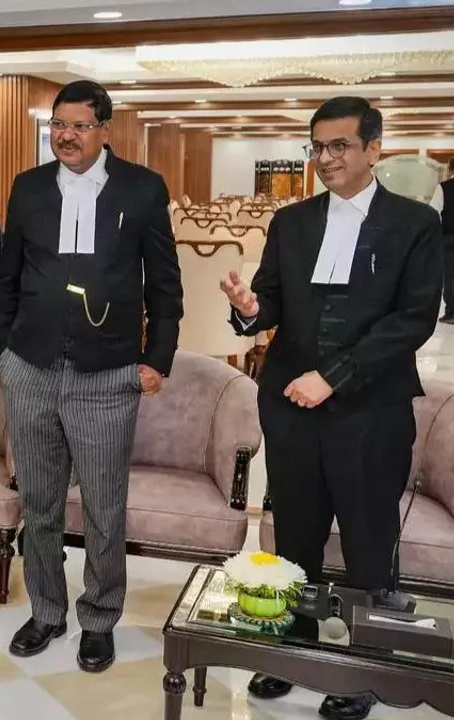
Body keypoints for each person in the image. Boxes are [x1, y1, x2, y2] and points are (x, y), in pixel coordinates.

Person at [222, 96, 442, 720]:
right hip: (291, 406)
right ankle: (295, 653)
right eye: (316, 146)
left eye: (339, 146)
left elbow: (413, 320)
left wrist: (335, 377)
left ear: (374, 148)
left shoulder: (412, 225)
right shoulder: (291, 223)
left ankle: (364, 672)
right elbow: (268, 304)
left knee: (370, 541)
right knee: (295, 534)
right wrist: (247, 308)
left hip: (370, 409)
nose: (325, 158)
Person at [0, 79, 183, 673]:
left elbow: (166, 285)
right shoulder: (27, 188)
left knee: (104, 505)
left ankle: (99, 617)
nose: (65, 136)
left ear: (105, 129)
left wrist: (157, 358)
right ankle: (47, 610)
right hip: (31, 368)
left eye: (78, 125)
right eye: (58, 124)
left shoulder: (142, 188)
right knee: (39, 501)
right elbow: (6, 277)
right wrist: (2, 350)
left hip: (107, 375)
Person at [433, 161, 453, 324]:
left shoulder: (444, 187)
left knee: (451, 275)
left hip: (449, 238)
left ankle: (452, 312)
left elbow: (434, 213)